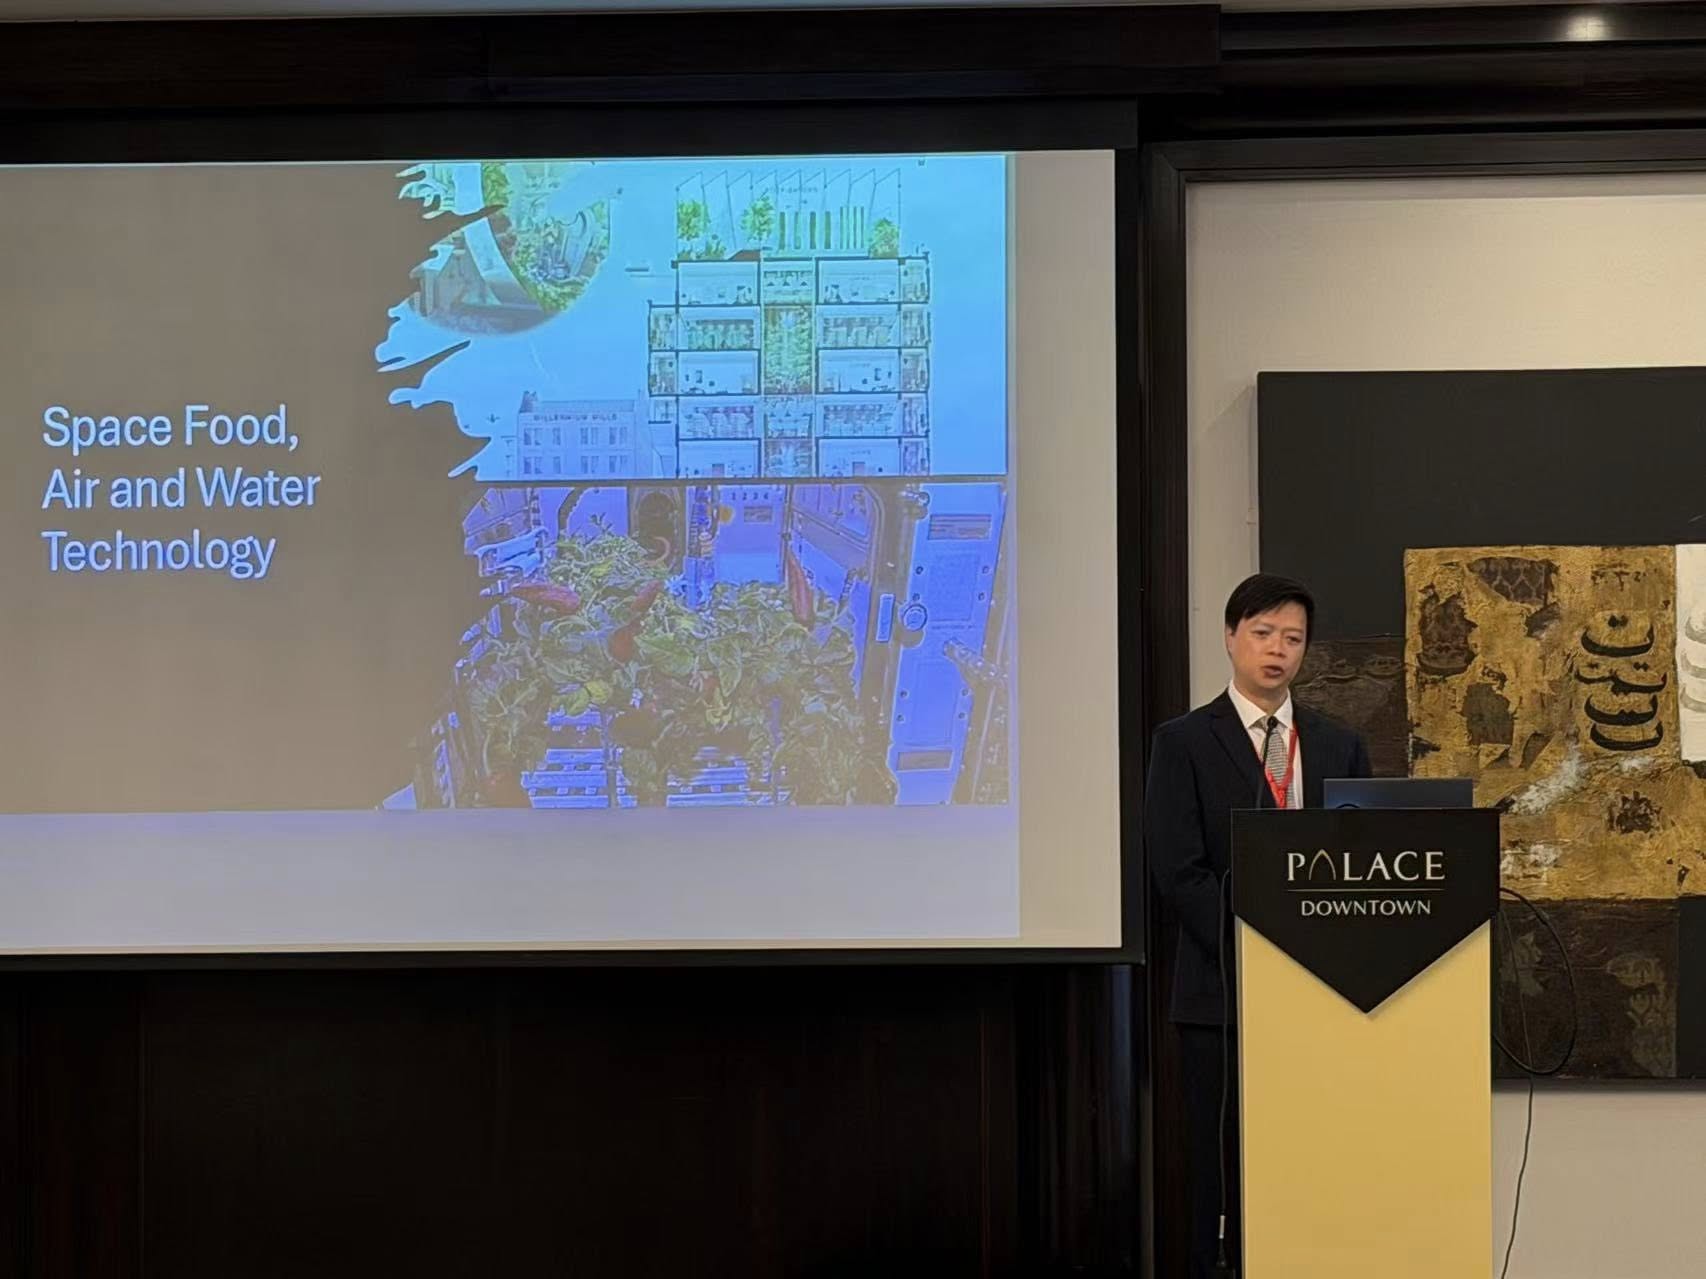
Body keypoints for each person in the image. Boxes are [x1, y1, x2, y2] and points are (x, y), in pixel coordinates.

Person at [1145, 573, 1371, 1279]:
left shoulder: (1338, 745)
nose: (1278, 650)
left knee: (1310, 1165)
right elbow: (1178, 871)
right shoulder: (1183, 742)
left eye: (1293, 638)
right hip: (1222, 996)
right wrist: (1258, 947)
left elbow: (1360, 867)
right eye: (1264, 633)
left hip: (1321, 994)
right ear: (1230, 637)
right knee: (1221, 1174)